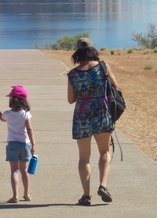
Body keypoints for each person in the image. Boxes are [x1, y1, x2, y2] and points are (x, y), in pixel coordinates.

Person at [67, 37, 120, 206]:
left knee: (84, 158)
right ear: (92, 51)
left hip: (82, 115)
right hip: (101, 113)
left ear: (77, 53)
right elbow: (116, 86)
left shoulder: (73, 74)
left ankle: (86, 195)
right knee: (105, 152)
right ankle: (103, 185)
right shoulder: (104, 67)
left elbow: (70, 99)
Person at [0, 86, 36, 203]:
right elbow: (29, 129)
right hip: (24, 145)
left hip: (12, 145)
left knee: (14, 171)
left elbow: (2, 118)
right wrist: (33, 144)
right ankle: (27, 194)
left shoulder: (8, 114)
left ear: (12, 100)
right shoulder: (26, 114)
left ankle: (15, 196)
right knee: (24, 170)